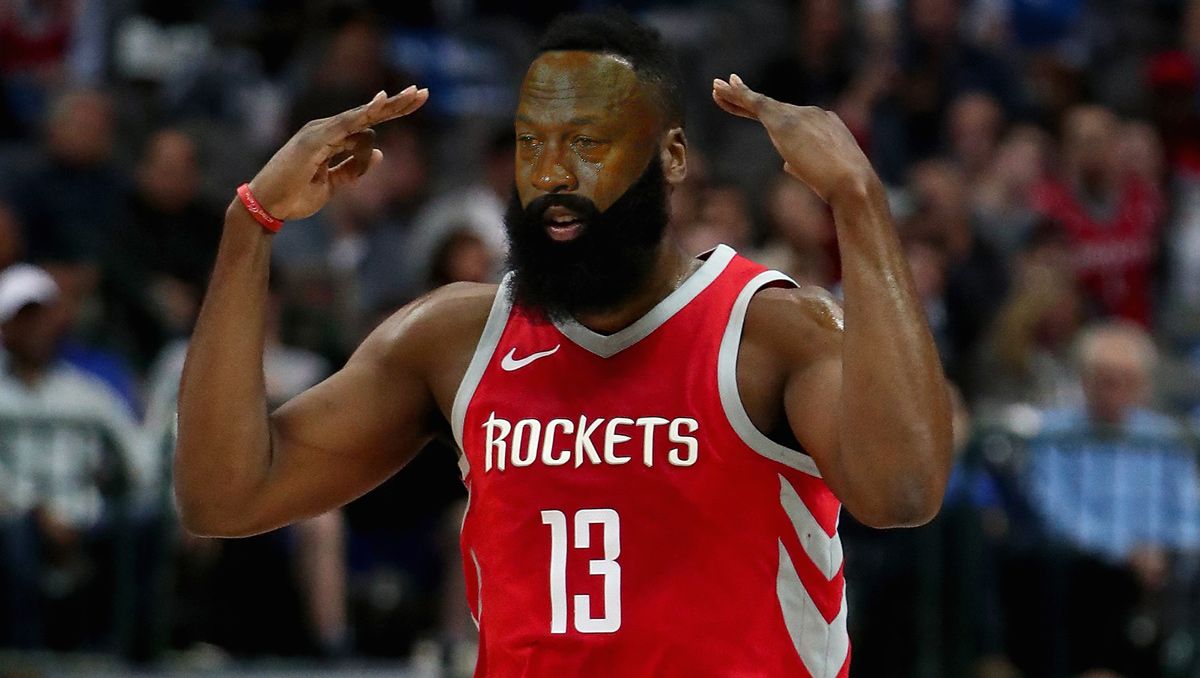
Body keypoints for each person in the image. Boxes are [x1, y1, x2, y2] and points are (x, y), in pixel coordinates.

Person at [175, 12, 952, 676]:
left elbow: (904, 491)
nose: (551, 173)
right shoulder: (454, 339)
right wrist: (251, 225)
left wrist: (858, 199)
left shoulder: (769, 331)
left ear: (672, 157)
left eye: (588, 142)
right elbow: (224, 496)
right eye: (531, 143)